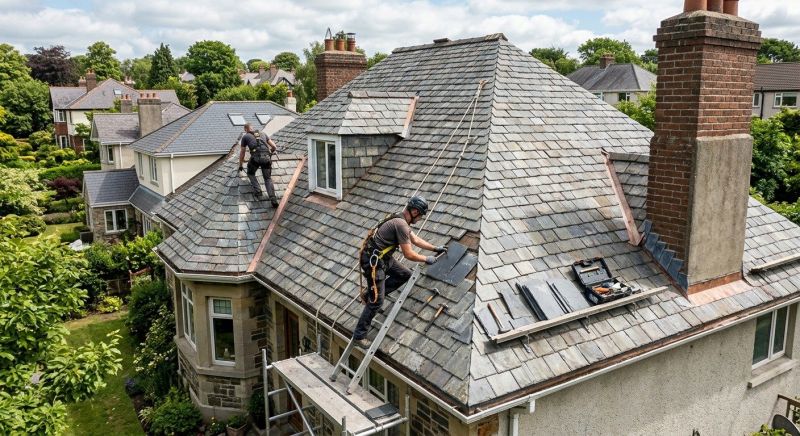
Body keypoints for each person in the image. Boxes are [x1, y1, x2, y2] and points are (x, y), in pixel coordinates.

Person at [352, 196, 447, 348]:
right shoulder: (400, 224)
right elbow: (409, 254)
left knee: (405, 274)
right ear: (415, 211)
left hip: (383, 258)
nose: (420, 219)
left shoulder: (400, 219)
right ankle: (359, 335)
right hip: (374, 262)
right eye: (420, 215)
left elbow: (415, 240)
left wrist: (435, 248)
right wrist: (425, 258)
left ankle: (370, 293)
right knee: (377, 302)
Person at [238, 123, 279, 207]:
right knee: (267, 178)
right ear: (252, 128)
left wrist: (240, 165)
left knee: (250, 173)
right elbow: (274, 146)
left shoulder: (245, 137)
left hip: (255, 159)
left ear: (245, 129)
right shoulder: (263, 133)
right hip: (266, 159)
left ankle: (258, 191)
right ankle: (273, 199)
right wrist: (270, 152)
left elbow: (242, 152)